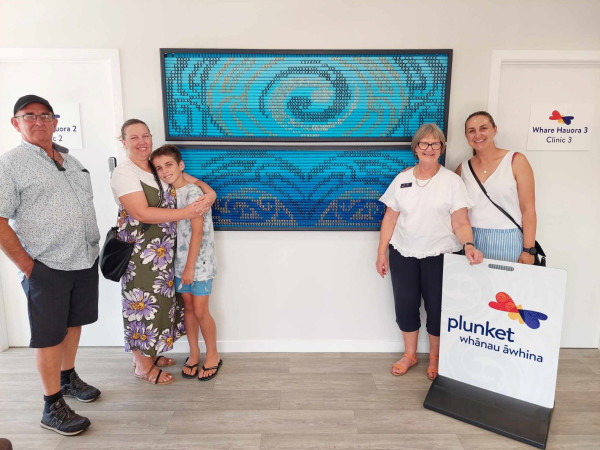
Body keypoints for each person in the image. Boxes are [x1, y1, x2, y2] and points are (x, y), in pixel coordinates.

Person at [0, 95, 101, 435]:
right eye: (30, 116)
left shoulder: (70, 161)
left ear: (56, 121)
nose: (39, 121)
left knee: (74, 325)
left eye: (45, 115)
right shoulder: (10, 164)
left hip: (83, 259)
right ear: (17, 123)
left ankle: (67, 377)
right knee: (49, 337)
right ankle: (51, 405)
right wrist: (29, 267)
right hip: (46, 266)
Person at [110, 119, 216, 385]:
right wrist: (188, 212)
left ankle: (149, 356)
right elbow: (141, 212)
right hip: (140, 255)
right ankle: (143, 366)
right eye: (133, 137)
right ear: (123, 142)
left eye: (145, 135)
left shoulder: (153, 168)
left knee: (157, 308)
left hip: (164, 255)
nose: (141, 141)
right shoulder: (125, 172)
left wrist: (209, 192)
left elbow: (182, 176)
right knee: (140, 306)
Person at [376, 123, 483, 380]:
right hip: (403, 254)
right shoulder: (402, 179)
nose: (429, 148)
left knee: (437, 309)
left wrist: (469, 244)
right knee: (405, 306)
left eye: (435, 144)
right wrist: (381, 253)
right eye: (424, 143)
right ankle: (410, 354)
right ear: (416, 148)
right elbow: (390, 219)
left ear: (442, 149)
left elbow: (460, 222)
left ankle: (435, 358)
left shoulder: (452, 182)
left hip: (441, 255)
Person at [150, 145, 222, 381]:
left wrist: (190, 266)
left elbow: (197, 233)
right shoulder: (169, 192)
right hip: (179, 262)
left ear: (181, 165)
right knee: (188, 310)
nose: (164, 171)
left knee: (201, 310)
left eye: (169, 165)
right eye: (159, 168)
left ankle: (213, 354)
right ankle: (194, 353)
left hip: (198, 262)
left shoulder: (192, 193)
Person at [456, 111, 537, 264]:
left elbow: (529, 209)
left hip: (509, 239)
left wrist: (528, 250)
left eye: (483, 128)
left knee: (507, 287)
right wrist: (416, 171)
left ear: (495, 129)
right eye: (471, 131)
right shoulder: (463, 168)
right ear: (466, 136)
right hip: (472, 241)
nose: (477, 134)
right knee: (475, 287)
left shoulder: (516, 161)